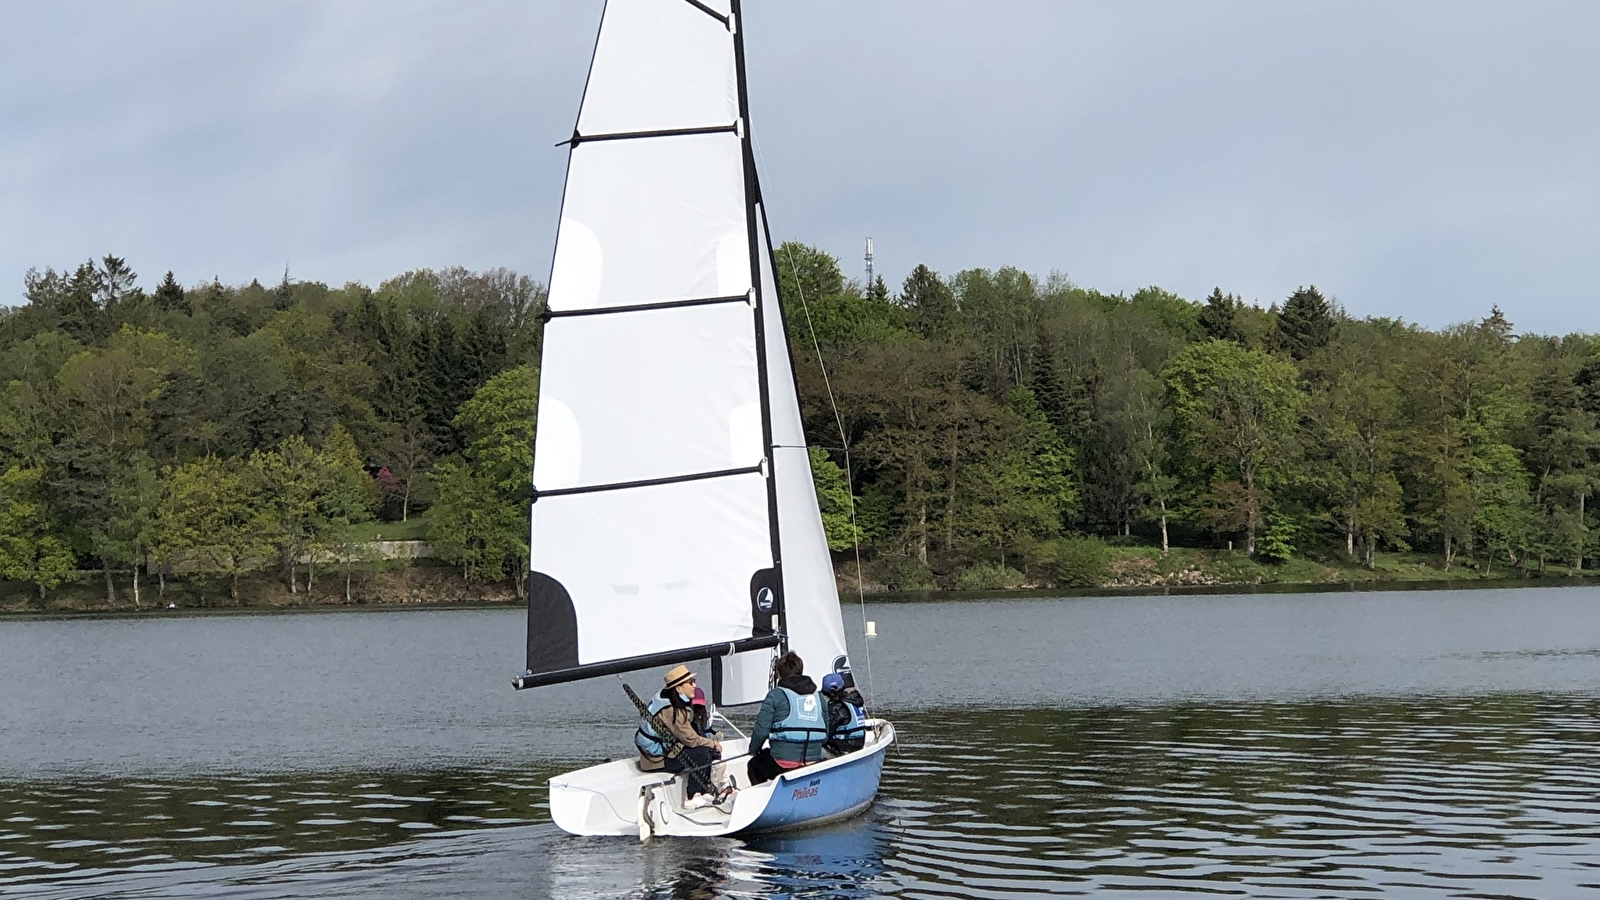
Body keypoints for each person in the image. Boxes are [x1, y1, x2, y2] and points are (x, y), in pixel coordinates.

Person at [635, 665, 732, 808]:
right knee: (701, 753)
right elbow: (691, 739)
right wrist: (713, 743)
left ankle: (707, 789)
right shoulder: (670, 710)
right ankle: (692, 796)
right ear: (678, 688)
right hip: (655, 761)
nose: (695, 685)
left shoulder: (672, 701)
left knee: (707, 750)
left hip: (667, 751)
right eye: (690, 682)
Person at [746, 651, 827, 785]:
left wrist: (754, 750)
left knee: (754, 766)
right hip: (813, 759)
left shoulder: (775, 695)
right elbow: (825, 733)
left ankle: (768, 800)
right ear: (801, 670)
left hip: (783, 762)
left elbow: (761, 731)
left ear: (779, 674)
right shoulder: (819, 697)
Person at [821, 673, 867, 757]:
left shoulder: (836, 709)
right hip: (858, 747)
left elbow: (825, 735)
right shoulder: (855, 702)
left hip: (841, 750)